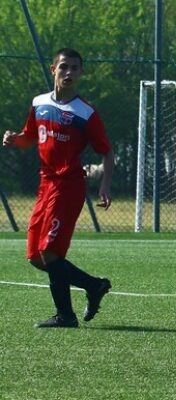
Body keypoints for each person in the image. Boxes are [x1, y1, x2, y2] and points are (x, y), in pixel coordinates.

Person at [2, 48, 114, 328]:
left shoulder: (85, 113)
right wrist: (15, 139)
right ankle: (94, 285)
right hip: (46, 184)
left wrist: (105, 185)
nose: (69, 73)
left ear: (81, 73)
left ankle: (66, 315)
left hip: (68, 185)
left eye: (75, 68)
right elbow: (30, 138)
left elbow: (107, 152)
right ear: (53, 70)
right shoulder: (39, 103)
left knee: (50, 253)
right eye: (64, 67)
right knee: (36, 257)